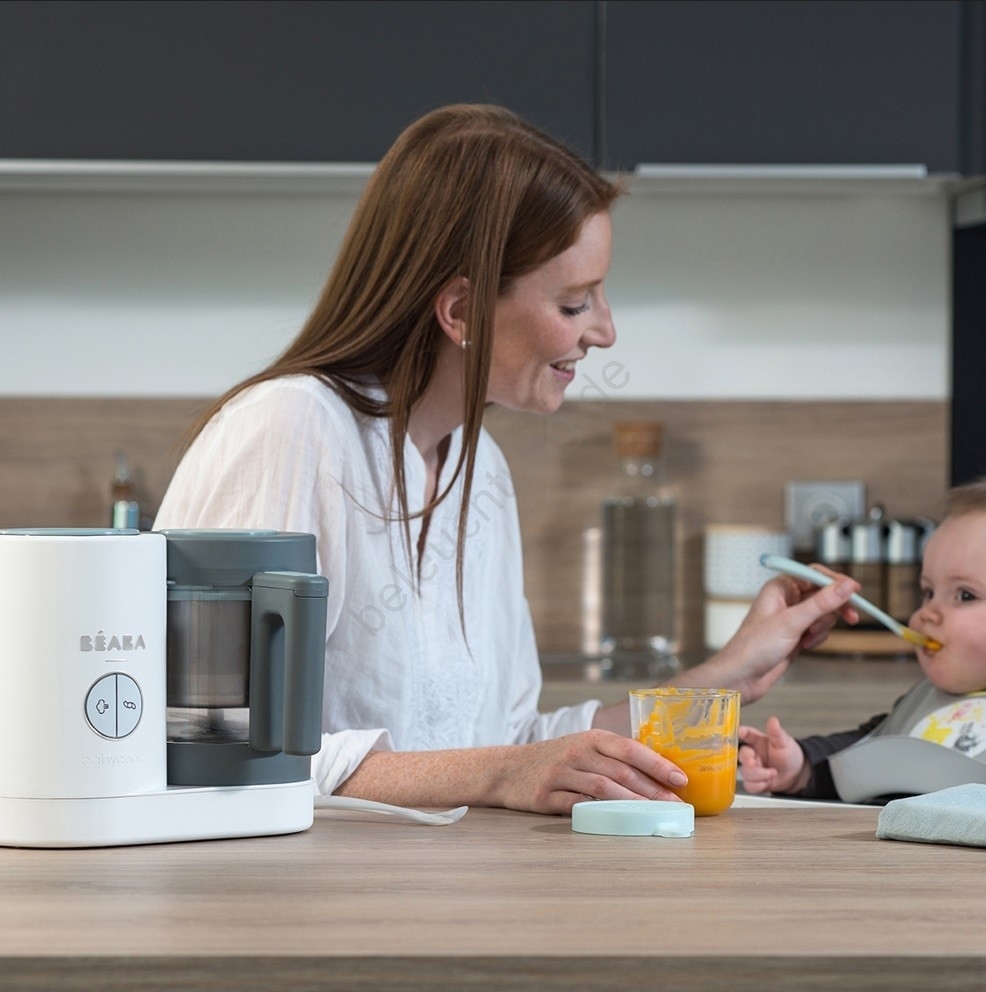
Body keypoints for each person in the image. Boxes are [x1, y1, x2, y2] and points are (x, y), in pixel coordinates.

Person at [154, 103, 859, 815]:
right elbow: (210, 747)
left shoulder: (477, 465)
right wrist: (501, 773)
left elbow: (511, 742)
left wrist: (726, 676)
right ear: (461, 312)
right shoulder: (290, 429)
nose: (606, 332)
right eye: (575, 303)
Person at [739, 480, 986, 801]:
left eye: (965, 595)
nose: (926, 614)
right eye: (928, 592)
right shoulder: (922, 703)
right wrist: (802, 770)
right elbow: (863, 753)